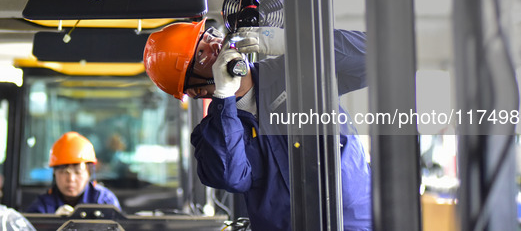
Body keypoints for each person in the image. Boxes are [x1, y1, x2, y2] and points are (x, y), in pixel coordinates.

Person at [144, 20, 372, 231]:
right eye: (201, 54)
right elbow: (231, 176)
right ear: (197, 90)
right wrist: (225, 96)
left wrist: (296, 42)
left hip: (357, 223)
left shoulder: (294, 70)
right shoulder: (210, 134)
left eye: (208, 36)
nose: (215, 45)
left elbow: (377, 55)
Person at [26, 131, 121, 215]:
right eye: (64, 172)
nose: (71, 179)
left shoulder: (105, 201)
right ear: (55, 173)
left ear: (89, 172)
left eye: (78, 172)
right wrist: (53, 223)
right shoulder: (43, 205)